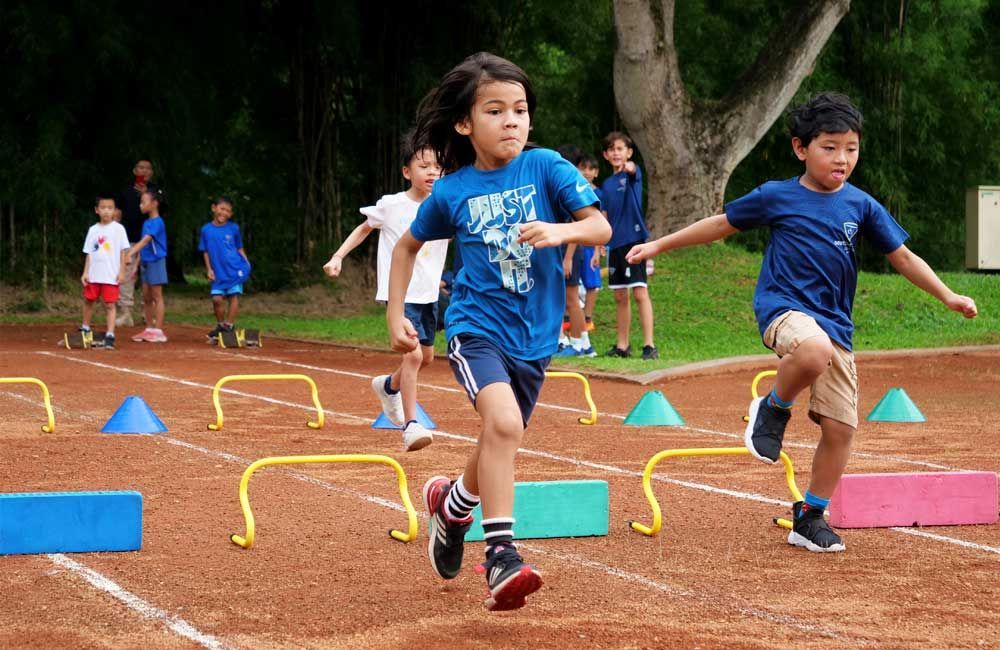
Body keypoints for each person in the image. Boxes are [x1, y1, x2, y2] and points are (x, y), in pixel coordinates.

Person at [626, 92, 978, 553]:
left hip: (836, 326)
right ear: (801, 149)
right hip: (783, 311)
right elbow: (719, 224)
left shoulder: (862, 206)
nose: (842, 158)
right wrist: (658, 246)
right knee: (813, 351)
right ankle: (772, 406)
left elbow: (903, 257)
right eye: (829, 147)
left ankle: (809, 517)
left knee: (841, 429)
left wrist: (948, 296)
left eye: (851, 148)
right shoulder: (778, 196)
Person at [389, 52, 611, 610]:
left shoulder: (548, 167)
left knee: (500, 436)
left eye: (521, 109)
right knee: (505, 423)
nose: (512, 120)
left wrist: (561, 232)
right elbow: (407, 245)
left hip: (535, 337)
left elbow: (599, 226)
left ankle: (452, 505)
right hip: (475, 327)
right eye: (496, 110)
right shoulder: (452, 191)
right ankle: (502, 555)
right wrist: (397, 315)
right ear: (465, 124)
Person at [324, 135, 445, 452]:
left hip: (429, 294)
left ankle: (389, 386)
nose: (432, 172)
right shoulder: (393, 205)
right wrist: (338, 256)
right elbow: (364, 227)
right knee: (414, 355)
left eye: (438, 167)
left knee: (426, 358)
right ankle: (411, 425)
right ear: (408, 172)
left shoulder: (447, 204)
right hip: (401, 295)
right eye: (424, 166)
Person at [601, 132, 657, 360]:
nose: (616, 153)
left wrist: (631, 167)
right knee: (619, 296)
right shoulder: (606, 184)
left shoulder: (633, 174)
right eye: (611, 149)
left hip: (634, 242)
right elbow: (603, 216)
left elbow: (633, 169)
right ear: (605, 155)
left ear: (629, 152)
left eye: (620, 149)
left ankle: (649, 346)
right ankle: (622, 346)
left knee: (640, 292)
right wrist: (600, 245)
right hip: (614, 244)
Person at [79, 194, 130, 349]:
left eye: (110, 208)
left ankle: (110, 334)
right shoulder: (93, 230)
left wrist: (122, 271)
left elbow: (123, 252)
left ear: (114, 211)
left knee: (110, 305)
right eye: (103, 208)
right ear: (97, 210)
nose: (106, 211)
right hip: (94, 274)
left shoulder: (119, 229)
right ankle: (85, 328)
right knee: (89, 301)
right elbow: (89, 252)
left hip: (110, 275)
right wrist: (85, 272)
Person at [199, 197, 251, 340]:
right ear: (214, 208)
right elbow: (205, 251)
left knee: (233, 296)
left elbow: (239, 247)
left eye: (228, 211)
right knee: (217, 299)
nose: (224, 213)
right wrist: (209, 269)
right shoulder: (206, 230)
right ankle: (221, 324)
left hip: (234, 268)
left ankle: (229, 325)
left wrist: (246, 263)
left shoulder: (233, 228)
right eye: (222, 209)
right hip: (217, 271)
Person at [116, 159, 156, 327]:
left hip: (150, 241)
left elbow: (163, 211)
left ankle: (148, 314)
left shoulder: (155, 192)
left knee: (151, 277)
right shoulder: (125, 191)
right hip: (129, 239)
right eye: (140, 167)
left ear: (151, 172)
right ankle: (125, 313)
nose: (144, 171)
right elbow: (118, 213)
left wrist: (146, 193)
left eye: (147, 168)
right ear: (134, 171)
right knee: (127, 275)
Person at [126, 188, 169, 343]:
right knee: (146, 296)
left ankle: (158, 330)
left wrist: (129, 253)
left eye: (143, 202)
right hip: (145, 261)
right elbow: (143, 246)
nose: (140, 205)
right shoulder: (146, 222)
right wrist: (136, 265)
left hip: (156, 261)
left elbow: (145, 241)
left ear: (154, 204)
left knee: (157, 296)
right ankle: (149, 328)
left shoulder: (158, 223)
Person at [577, 154, 603, 331]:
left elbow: (603, 221)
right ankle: (573, 316)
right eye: (583, 168)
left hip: (590, 246)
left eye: (590, 169)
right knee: (574, 283)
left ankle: (587, 316)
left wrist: (597, 249)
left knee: (591, 282)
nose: (586, 172)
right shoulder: (574, 191)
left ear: (596, 173)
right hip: (575, 244)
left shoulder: (599, 193)